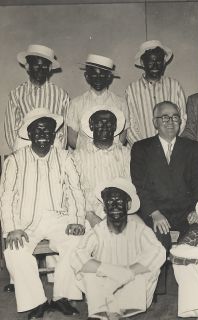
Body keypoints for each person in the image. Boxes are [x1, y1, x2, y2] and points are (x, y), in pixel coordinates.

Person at [0, 108, 85, 319]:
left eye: (48, 130)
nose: (43, 134)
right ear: (28, 134)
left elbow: (75, 190)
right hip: (25, 223)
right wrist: (12, 229)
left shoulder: (65, 157)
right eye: (37, 130)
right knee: (14, 251)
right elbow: (6, 197)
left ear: (54, 135)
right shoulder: (15, 160)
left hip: (58, 218)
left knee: (77, 242)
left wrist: (76, 220)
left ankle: (62, 297)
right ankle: (36, 301)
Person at [71, 178, 166, 320]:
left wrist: (128, 271)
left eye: (119, 201)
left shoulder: (139, 230)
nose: (114, 206)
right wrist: (108, 270)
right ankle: (108, 312)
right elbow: (77, 255)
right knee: (86, 269)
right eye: (109, 202)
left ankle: (113, 313)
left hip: (131, 287)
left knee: (149, 266)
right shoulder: (98, 230)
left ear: (128, 205)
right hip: (105, 285)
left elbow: (158, 252)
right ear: (104, 207)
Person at [131, 101, 198, 251]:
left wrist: (196, 209)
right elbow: (139, 186)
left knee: (195, 244)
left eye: (175, 117)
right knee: (156, 245)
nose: (171, 122)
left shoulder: (192, 147)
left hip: (187, 213)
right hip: (155, 213)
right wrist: (154, 213)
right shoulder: (141, 148)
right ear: (155, 122)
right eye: (165, 118)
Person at [72, 105, 131, 229]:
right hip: (87, 215)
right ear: (91, 127)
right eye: (99, 124)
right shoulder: (78, 155)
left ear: (115, 127)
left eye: (109, 124)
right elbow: (74, 190)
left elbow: (129, 187)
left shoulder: (125, 153)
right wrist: (90, 216)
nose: (104, 128)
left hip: (118, 213)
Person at [5, 44, 69, 152]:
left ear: (49, 68)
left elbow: (63, 131)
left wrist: (57, 155)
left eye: (44, 65)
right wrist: (21, 154)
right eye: (36, 65)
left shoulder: (61, 95)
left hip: (53, 151)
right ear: (27, 67)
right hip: (24, 150)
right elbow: (10, 130)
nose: (40, 69)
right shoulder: (16, 94)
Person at [126, 40, 187, 143]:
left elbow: (182, 119)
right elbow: (130, 125)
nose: (155, 66)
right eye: (150, 62)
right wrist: (144, 149)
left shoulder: (174, 86)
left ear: (163, 62)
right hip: (143, 152)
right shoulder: (132, 90)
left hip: (170, 148)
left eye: (158, 61)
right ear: (142, 63)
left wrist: (169, 144)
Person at [66, 54, 129, 150]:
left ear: (109, 77)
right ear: (87, 76)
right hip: (85, 158)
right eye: (94, 74)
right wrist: (88, 153)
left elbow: (123, 134)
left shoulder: (120, 103)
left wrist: (112, 150)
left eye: (102, 75)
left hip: (113, 157)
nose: (98, 78)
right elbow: (71, 138)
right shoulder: (76, 103)